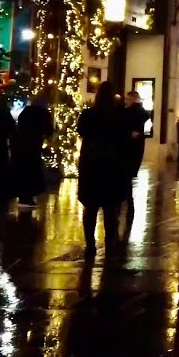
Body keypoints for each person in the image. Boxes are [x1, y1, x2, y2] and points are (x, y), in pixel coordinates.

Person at [77, 82, 130, 257]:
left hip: (91, 165)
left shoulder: (88, 114)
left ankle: (90, 244)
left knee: (90, 208)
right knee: (110, 209)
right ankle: (109, 243)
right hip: (111, 166)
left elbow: (81, 131)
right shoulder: (119, 116)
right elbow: (124, 139)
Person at [120, 91, 151, 236]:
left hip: (127, 150)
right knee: (127, 178)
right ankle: (128, 204)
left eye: (127, 99)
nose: (125, 101)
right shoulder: (142, 113)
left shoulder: (130, 113)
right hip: (136, 149)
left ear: (133, 99)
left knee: (124, 177)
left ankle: (127, 204)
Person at [14, 96, 52, 208]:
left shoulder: (26, 112)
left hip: (22, 145)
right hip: (34, 145)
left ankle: (23, 195)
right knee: (32, 170)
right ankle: (29, 196)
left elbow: (19, 124)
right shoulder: (44, 114)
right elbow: (49, 130)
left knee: (23, 170)